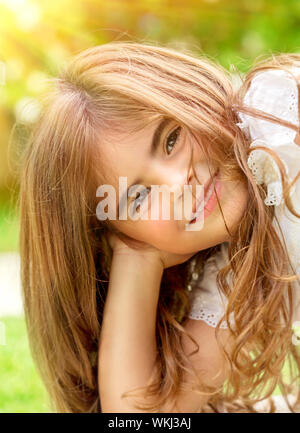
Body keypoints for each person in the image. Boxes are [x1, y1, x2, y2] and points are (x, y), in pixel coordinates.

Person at [18, 41, 300, 413]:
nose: (177, 182)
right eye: (137, 198)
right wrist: (138, 256)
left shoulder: (282, 116)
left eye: (170, 139)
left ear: (194, 96)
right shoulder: (239, 268)